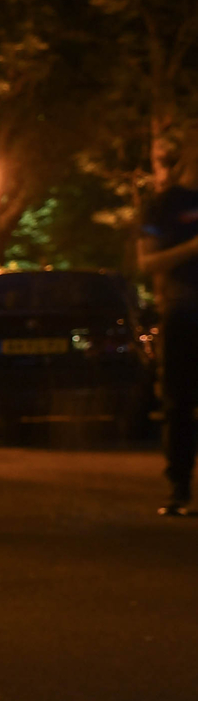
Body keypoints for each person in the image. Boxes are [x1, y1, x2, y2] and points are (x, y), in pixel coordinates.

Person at [136, 145, 198, 516]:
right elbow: (148, 261)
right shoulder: (162, 205)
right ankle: (179, 487)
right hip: (184, 312)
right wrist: (193, 247)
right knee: (179, 403)